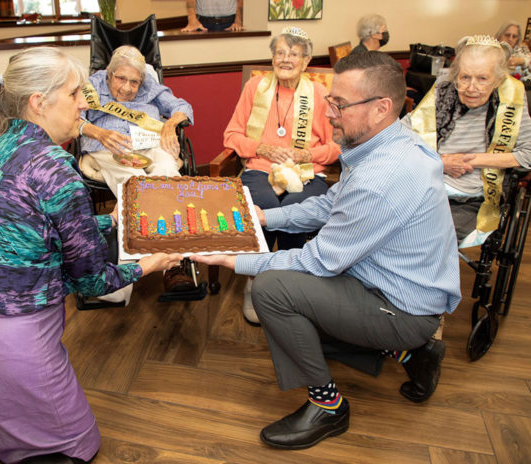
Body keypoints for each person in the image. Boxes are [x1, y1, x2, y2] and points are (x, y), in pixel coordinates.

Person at [192, 51, 461, 450]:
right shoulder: (386, 142)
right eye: (329, 100)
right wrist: (263, 219)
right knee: (295, 319)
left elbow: (319, 260)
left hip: (402, 308)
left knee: (271, 291)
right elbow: (332, 202)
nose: (328, 112)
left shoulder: (383, 176)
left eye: (339, 104)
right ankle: (410, 355)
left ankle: (329, 407)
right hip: (392, 288)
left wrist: (233, 259)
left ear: (381, 108)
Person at [0, 46, 183, 464]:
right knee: (77, 447)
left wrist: (116, 222)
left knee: (10, 440)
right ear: (39, 102)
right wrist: (150, 263)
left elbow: (35, 234)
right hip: (11, 339)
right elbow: (91, 282)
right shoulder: (54, 169)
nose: (85, 104)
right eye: (75, 94)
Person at [223, 26, 340, 323]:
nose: (286, 59)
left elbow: (336, 146)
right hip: (261, 168)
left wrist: (307, 155)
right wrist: (261, 147)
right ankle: (254, 282)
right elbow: (232, 136)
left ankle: (287, 286)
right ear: (272, 57)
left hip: (307, 171)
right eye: (280, 53)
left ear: (306, 60)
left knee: (296, 210)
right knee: (262, 208)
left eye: (294, 54)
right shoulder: (256, 88)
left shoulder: (319, 93)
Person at [402, 35, 531, 246]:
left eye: (482, 78)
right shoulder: (443, 90)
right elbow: (402, 133)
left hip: (472, 198)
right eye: (465, 78)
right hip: (424, 186)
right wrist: (441, 162)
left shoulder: (512, 99)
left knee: (423, 236)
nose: (472, 88)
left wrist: (474, 160)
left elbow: (528, 154)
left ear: (498, 79)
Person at [78, 45, 194, 195]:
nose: (127, 88)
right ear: (109, 72)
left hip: (150, 143)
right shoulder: (92, 86)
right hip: (109, 145)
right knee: (132, 180)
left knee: (167, 169)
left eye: (134, 82)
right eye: (120, 78)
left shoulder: (149, 85)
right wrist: (99, 134)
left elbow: (182, 106)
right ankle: (147, 215)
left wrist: (170, 124)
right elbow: (74, 118)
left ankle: (160, 215)